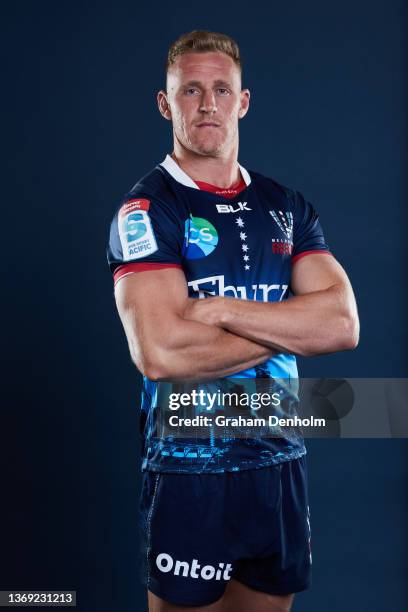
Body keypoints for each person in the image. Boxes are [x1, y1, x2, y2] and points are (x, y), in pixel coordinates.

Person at [107, 30, 359, 612]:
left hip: (279, 460)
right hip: (190, 464)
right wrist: (289, 322)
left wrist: (219, 311)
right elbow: (161, 353)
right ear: (165, 103)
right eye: (190, 90)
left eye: (222, 90)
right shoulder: (147, 210)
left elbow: (342, 324)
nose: (207, 104)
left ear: (242, 102)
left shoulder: (286, 206)